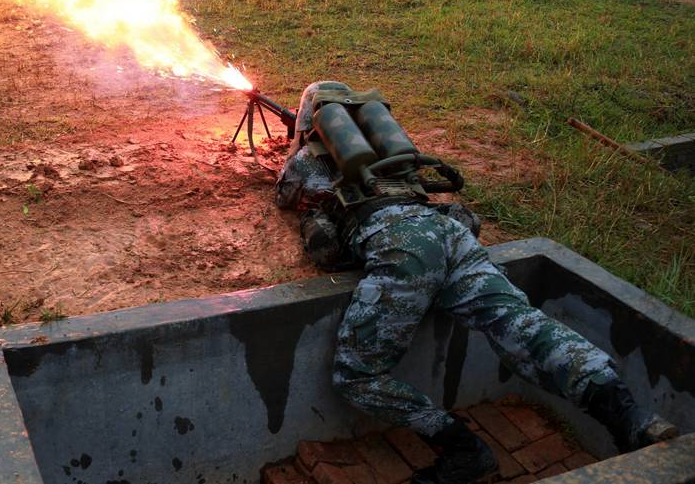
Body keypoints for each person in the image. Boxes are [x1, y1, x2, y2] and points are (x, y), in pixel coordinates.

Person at [275, 81, 677, 484]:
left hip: (401, 248)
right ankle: (630, 417)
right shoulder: (393, 152)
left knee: (356, 376)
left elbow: (289, 200)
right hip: (450, 236)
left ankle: (463, 449)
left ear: (310, 120)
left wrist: (294, 158)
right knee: (523, 326)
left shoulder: (308, 158)